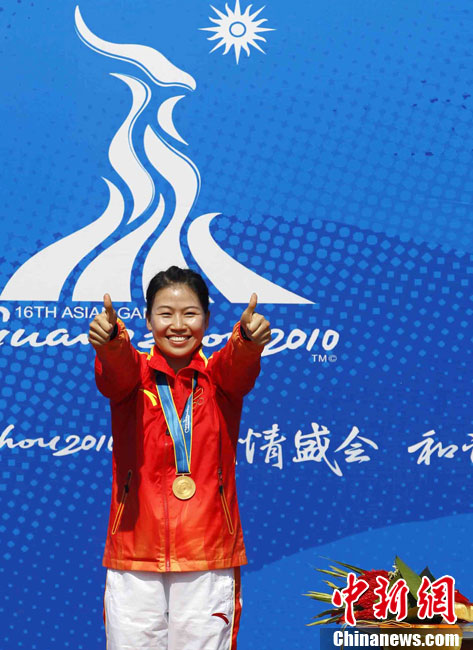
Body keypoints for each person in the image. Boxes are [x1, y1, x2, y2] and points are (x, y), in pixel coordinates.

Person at [88, 266, 271, 650]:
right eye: (165, 313)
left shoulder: (218, 377)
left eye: (190, 313)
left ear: (206, 319)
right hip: (135, 552)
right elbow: (117, 367)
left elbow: (238, 365)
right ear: (148, 319)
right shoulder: (135, 375)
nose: (177, 325)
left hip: (207, 552)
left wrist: (248, 341)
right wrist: (111, 341)